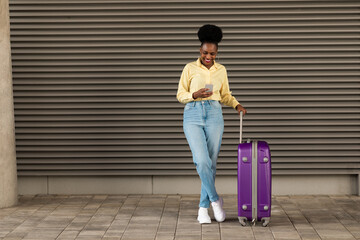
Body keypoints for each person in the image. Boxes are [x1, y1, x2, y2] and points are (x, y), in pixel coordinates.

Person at [176, 24, 247, 224]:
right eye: (206, 53)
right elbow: (180, 94)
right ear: (200, 50)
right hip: (193, 114)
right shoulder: (189, 68)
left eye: (213, 54)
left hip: (215, 114)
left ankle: (202, 209)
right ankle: (215, 200)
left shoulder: (221, 70)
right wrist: (194, 94)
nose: (209, 57)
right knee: (202, 161)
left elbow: (225, 95)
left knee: (212, 163)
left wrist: (237, 105)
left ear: (217, 53)